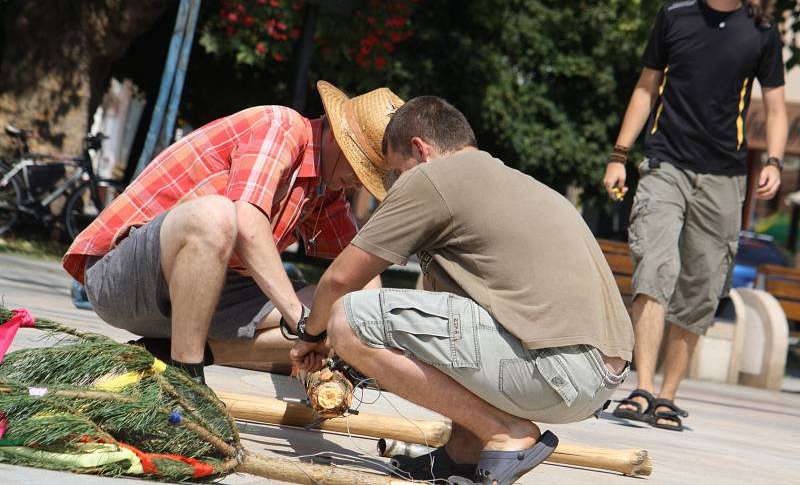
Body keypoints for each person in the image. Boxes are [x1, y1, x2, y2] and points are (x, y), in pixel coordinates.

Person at [290, 96, 634, 484]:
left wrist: (313, 335)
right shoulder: (510, 181)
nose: (394, 185)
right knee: (448, 313)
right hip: (599, 378)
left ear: (420, 150)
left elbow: (341, 279)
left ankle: (505, 432)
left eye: (395, 173)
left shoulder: (434, 178)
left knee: (348, 319)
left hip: (557, 369)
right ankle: (463, 454)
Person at [62, 81, 405, 383]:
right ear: (335, 135)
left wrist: (364, 336)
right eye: (361, 166)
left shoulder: (325, 188)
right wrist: (302, 323)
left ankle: (171, 353)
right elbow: (247, 222)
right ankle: (188, 378)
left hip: (195, 294)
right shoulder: (282, 126)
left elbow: (360, 272)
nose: (360, 182)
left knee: (343, 313)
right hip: (121, 277)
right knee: (218, 214)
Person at [604, 0, 788, 431]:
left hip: (725, 177)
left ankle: (667, 396)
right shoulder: (674, 17)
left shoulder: (763, 34)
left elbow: (775, 106)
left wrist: (773, 161)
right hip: (666, 163)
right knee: (655, 268)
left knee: (702, 287)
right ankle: (642, 388)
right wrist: (619, 156)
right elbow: (646, 89)